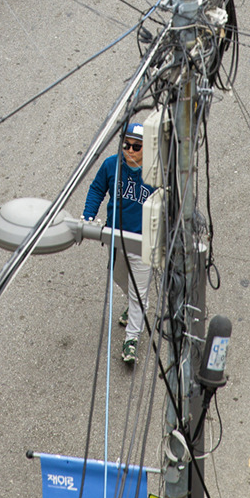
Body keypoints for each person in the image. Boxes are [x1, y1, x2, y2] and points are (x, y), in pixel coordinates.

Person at [82, 124, 156, 366]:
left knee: (139, 295)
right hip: (116, 239)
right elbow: (96, 189)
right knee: (119, 277)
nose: (130, 150)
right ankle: (134, 305)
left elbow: (170, 206)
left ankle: (131, 340)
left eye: (136, 146)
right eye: (126, 145)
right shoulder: (110, 165)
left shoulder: (157, 173)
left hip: (143, 244)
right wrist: (88, 216)